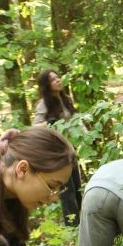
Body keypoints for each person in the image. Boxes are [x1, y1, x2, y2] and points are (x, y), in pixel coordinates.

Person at [34, 69, 83, 226]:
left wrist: (87, 136)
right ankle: (73, 226)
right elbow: (35, 127)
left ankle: (84, 223)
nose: (57, 80)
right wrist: (49, 123)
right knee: (67, 193)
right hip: (58, 155)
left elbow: (77, 120)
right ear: (46, 85)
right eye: (52, 79)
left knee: (78, 190)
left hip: (71, 151)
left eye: (58, 77)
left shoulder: (66, 99)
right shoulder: (43, 104)